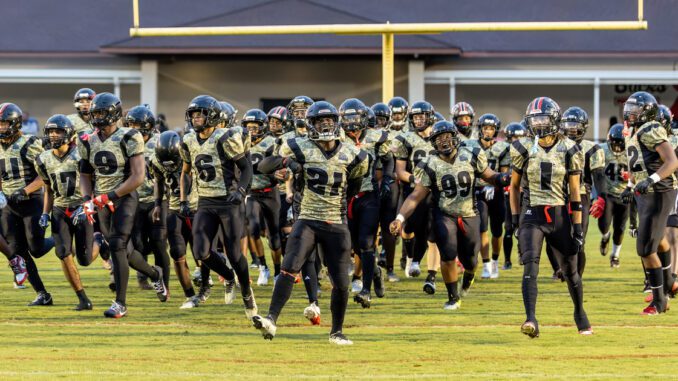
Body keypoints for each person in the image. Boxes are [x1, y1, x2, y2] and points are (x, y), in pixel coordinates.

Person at [252, 100, 368, 345]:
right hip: (308, 219)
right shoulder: (298, 146)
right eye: (320, 121)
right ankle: (271, 319)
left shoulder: (354, 153)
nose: (325, 125)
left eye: (329, 121)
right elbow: (262, 165)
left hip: (336, 222)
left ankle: (336, 331)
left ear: (337, 123)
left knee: (341, 282)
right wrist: (287, 163)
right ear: (310, 124)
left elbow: (354, 187)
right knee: (289, 266)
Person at [391, 120, 509, 309]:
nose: (444, 141)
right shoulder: (430, 163)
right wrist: (400, 218)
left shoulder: (471, 155)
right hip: (445, 214)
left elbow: (489, 175)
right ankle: (453, 296)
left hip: (470, 213)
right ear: (433, 142)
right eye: (439, 138)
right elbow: (416, 195)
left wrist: (503, 178)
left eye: (447, 136)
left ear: (454, 137)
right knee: (447, 255)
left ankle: (468, 277)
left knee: (470, 260)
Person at [78, 92, 167, 318]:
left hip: (124, 197)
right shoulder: (87, 140)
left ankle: (120, 303)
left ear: (114, 113)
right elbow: (85, 174)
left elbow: (138, 177)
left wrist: (109, 196)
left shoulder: (130, 136)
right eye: (95, 112)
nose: (97, 117)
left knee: (117, 245)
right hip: (100, 200)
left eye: (101, 112)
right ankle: (155, 275)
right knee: (124, 252)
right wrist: (87, 200)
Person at [509, 97, 592, 337]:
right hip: (531, 213)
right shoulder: (522, 147)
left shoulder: (570, 148)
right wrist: (515, 220)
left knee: (571, 271)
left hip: (559, 214)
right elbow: (514, 187)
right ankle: (531, 319)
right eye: (535, 119)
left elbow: (575, 190)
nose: (539, 124)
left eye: (543, 118)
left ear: (554, 119)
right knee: (530, 267)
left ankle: (579, 312)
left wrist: (577, 227)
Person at [179, 95, 256, 319]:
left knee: (234, 253)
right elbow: (185, 173)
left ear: (212, 115)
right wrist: (184, 200)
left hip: (228, 201)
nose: (196, 118)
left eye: (200, 114)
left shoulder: (226, 137)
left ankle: (246, 292)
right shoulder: (188, 140)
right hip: (205, 201)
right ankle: (228, 276)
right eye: (193, 114)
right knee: (200, 251)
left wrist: (241, 192)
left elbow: (246, 167)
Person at [36, 114, 104, 310]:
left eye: (58, 131)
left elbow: (94, 183)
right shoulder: (43, 159)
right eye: (50, 131)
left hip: (81, 208)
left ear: (69, 134)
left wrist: (88, 206)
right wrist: (44, 213)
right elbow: (48, 189)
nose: (54, 135)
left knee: (84, 260)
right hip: (59, 209)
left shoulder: (81, 155)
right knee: (63, 253)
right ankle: (83, 298)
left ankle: (99, 241)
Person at [622, 92, 678, 314]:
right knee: (660, 240)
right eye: (630, 108)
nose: (630, 112)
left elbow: (672, 161)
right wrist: (629, 188)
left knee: (645, 248)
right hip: (645, 192)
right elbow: (637, 166)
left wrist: (652, 179)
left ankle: (659, 300)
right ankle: (669, 282)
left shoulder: (650, 128)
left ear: (647, 112)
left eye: (635, 109)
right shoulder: (633, 132)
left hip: (659, 190)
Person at [0, 102, 55, 305]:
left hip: (31, 200)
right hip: (8, 205)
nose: (0, 127)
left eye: (4, 123)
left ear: (14, 123)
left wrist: (24, 190)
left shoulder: (30, 142)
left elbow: (44, 176)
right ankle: (42, 293)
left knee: (37, 248)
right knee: (19, 251)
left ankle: (56, 239)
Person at [340, 98, 392, 308]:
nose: (351, 122)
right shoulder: (337, 137)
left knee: (366, 242)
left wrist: (387, 179)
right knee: (354, 246)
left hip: (368, 195)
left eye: (355, 117)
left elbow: (388, 159)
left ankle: (366, 291)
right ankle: (376, 272)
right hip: (344, 196)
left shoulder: (375, 136)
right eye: (348, 118)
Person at [151, 130, 208, 309]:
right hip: (175, 208)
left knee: (201, 252)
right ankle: (190, 295)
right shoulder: (155, 161)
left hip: (197, 207)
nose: (168, 165)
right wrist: (158, 204)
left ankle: (205, 284)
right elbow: (159, 182)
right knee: (176, 252)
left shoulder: (191, 155)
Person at [126, 106, 172, 294]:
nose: (133, 128)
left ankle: (164, 286)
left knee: (159, 242)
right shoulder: (125, 142)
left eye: (137, 125)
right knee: (138, 244)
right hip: (134, 199)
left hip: (157, 199)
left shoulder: (159, 143)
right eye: (130, 124)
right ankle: (146, 273)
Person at [560, 106, 606, 276]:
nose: (572, 129)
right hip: (558, 195)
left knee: (579, 238)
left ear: (583, 127)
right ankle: (560, 269)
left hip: (581, 194)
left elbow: (599, 175)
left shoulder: (592, 148)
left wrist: (601, 197)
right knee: (556, 237)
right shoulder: (558, 145)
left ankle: (576, 276)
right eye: (569, 125)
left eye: (575, 125)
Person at [244, 108, 281, 286]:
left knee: (274, 236)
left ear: (263, 127)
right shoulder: (242, 142)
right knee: (253, 228)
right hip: (252, 193)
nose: (251, 131)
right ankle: (262, 267)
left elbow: (279, 167)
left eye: (255, 127)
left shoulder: (272, 142)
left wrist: (278, 174)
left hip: (270, 191)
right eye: (248, 127)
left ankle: (277, 271)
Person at [474, 113, 510, 279]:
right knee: (482, 228)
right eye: (485, 128)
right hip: (478, 192)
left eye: (491, 128)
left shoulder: (502, 148)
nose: (488, 131)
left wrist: (493, 184)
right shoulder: (471, 147)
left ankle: (495, 260)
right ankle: (486, 264)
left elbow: (504, 175)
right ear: (480, 129)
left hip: (496, 193)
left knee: (497, 231)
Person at [597, 124, 630, 268]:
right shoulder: (602, 150)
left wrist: (630, 178)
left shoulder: (631, 151)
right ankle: (605, 236)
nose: (617, 148)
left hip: (625, 194)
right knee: (604, 225)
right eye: (614, 145)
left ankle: (615, 255)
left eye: (620, 145)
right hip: (608, 193)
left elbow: (640, 173)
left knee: (620, 228)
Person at [501, 122, 528, 269]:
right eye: (514, 137)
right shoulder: (506, 151)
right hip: (509, 192)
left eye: (519, 136)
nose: (516, 139)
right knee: (509, 227)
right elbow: (504, 172)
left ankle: (522, 253)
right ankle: (506, 260)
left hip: (524, 192)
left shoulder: (527, 150)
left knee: (524, 226)